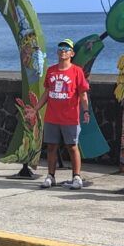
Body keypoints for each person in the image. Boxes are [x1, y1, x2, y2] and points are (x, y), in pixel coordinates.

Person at [36, 38, 90, 190]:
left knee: (72, 146)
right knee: (51, 147)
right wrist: (36, 109)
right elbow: (47, 92)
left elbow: (83, 95)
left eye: (66, 49)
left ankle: (76, 177)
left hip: (70, 117)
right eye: (60, 48)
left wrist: (85, 111)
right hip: (52, 116)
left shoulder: (77, 71)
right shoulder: (51, 71)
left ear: (72, 53)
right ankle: (51, 176)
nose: (62, 51)